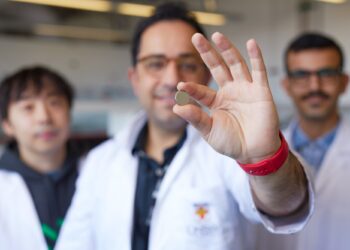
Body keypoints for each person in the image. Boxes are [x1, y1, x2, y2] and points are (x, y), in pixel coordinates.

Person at [56, 3, 313, 250]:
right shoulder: (100, 162)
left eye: (188, 65)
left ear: (206, 75)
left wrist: (263, 160)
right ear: (135, 78)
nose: (171, 80)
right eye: (156, 64)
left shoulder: (229, 153)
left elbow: (286, 206)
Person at [253, 33, 350, 250]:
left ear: (344, 82)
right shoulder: (261, 153)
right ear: (287, 85)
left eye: (326, 73)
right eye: (301, 75)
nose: (314, 86)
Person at [0, 66, 83, 250]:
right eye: (28, 107)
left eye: (54, 103)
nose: (44, 117)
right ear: (7, 125)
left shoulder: (101, 173)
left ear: (69, 114)